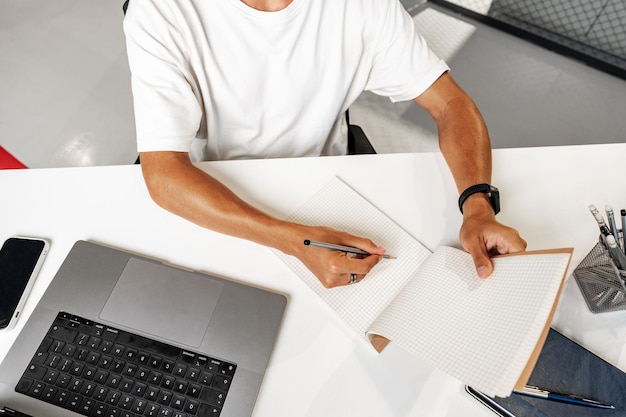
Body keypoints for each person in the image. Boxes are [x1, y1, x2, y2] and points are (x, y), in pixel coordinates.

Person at [123, 0, 527, 288]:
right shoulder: (161, 10)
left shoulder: (363, 7)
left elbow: (450, 104)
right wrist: (294, 241)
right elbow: (163, 173)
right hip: (216, 195)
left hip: (328, 181)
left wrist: (477, 205)